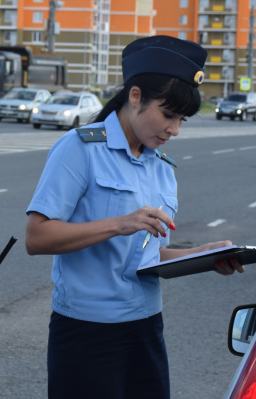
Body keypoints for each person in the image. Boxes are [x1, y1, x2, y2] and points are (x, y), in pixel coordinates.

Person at [24, 35, 244, 399]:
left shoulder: (161, 168)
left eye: (183, 119)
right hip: (87, 331)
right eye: (168, 115)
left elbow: (148, 256)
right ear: (136, 96)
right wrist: (119, 223)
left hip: (145, 327)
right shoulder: (81, 149)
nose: (174, 129)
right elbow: (36, 237)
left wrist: (205, 254)